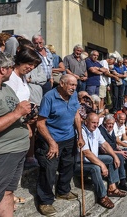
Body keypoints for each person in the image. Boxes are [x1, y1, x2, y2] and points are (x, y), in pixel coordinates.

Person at [0, 51, 32, 216]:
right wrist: (16, 113)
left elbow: (12, 113)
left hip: (16, 150)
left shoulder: (6, 88)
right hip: (1, 153)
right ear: (1, 70)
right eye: (9, 67)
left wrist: (26, 116)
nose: (12, 70)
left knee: (7, 193)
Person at [35, 74, 84, 216]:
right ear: (62, 84)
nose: (74, 88)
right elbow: (40, 123)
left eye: (75, 85)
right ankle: (45, 201)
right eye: (71, 85)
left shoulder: (73, 95)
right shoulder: (49, 97)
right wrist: (51, 143)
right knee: (49, 170)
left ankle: (63, 191)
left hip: (69, 137)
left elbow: (76, 115)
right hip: (51, 138)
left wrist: (79, 135)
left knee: (68, 165)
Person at [76, 113, 126, 210]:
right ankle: (102, 197)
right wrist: (102, 165)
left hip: (93, 158)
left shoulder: (96, 130)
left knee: (111, 159)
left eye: (97, 123)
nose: (95, 125)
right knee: (95, 168)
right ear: (86, 122)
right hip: (81, 163)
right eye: (93, 122)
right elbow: (86, 153)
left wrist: (115, 156)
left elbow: (105, 144)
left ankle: (112, 188)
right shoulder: (81, 132)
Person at [5, 47, 42, 168]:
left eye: (34, 66)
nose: (31, 68)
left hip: (22, 118)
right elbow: (10, 101)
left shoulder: (23, 77)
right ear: (21, 61)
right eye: (30, 64)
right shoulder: (11, 78)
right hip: (13, 119)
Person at [99, 115, 127, 191]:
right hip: (105, 153)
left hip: (113, 149)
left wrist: (118, 148)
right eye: (109, 123)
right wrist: (118, 152)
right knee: (120, 156)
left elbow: (114, 141)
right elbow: (103, 150)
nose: (111, 126)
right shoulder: (100, 131)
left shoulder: (111, 129)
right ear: (104, 123)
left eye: (113, 124)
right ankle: (122, 181)